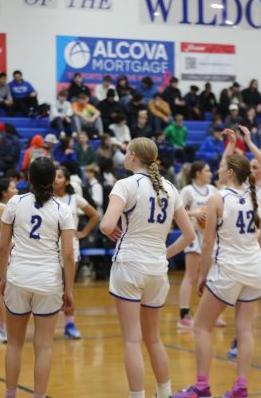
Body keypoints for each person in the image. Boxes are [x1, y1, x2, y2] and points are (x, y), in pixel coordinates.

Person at [100, 137, 194, 398]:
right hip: (156, 269)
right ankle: (164, 393)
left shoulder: (126, 185)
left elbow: (107, 225)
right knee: (153, 339)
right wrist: (164, 254)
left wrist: (107, 230)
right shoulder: (170, 188)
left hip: (129, 264)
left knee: (132, 339)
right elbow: (189, 236)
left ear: (132, 156)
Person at [173, 153, 261, 398]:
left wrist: (203, 275)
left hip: (228, 270)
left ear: (231, 172)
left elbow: (208, 242)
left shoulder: (217, 198)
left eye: (222, 166)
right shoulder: (256, 199)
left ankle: (201, 387)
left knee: (201, 327)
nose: (218, 169)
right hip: (255, 271)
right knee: (244, 330)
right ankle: (240, 387)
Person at [0, 157, 75, 398]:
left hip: (18, 278)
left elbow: (3, 247)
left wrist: (3, 277)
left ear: (28, 178)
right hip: (49, 282)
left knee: (15, 344)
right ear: (54, 180)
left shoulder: (15, 203)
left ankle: (11, 394)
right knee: (43, 348)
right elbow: (69, 254)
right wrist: (69, 289)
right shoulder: (63, 208)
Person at [225, 126, 261, 362]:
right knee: (242, 297)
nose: (253, 169)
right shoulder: (241, 189)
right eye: (251, 167)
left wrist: (248, 143)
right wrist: (231, 144)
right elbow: (225, 169)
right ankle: (239, 338)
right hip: (246, 249)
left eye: (256, 166)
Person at [54, 166, 99, 339]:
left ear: (66, 181)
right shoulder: (46, 199)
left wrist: (84, 232)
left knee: (68, 288)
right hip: (50, 247)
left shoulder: (75, 198)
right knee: (49, 288)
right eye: (54, 176)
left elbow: (95, 215)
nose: (55, 179)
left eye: (59, 176)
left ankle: (70, 324)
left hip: (71, 247)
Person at [177, 162, 219, 329]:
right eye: (207, 170)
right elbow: (175, 210)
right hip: (194, 235)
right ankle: (184, 315)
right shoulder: (188, 190)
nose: (210, 173)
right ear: (198, 173)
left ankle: (209, 315)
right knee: (191, 277)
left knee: (210, 276)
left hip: (210, 237)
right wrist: (195, 213)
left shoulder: (214, 191)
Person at [0, 178, 19, 343]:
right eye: (13, 188)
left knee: (12, 293)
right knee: (5, 292)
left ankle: (10, 327)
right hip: (4, 252)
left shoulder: (11, 207)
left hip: (13, 251)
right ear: (4, 192)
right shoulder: (1, 209)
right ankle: (2, 328)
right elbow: (6, 238)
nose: (16, 190)